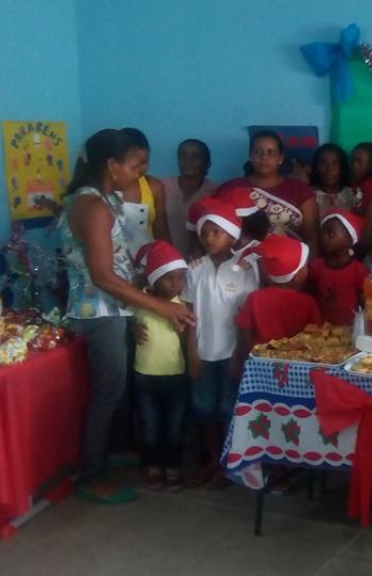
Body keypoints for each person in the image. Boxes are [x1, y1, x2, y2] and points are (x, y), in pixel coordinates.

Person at [58, 129, 195, 504]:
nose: (138, 173)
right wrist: (161, 306)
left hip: (113, 306)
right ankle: (91, 475)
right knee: (107, 393)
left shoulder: (100, 200)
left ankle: (110, 450)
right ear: (112, 165)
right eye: (134, 166)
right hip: (99, 311)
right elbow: (103, 276)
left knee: (118, 391)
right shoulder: (93, 206)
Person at [182, 200, 259, 490]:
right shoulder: (195, 270)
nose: (209, 238)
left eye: (217, 232)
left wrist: (241, 355)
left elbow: (245, 318)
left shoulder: (243, 270)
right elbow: (189, 316)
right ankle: (213, 458)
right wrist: (191, 353)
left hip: (231, 353)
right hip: (202, 352)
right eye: (205, 233)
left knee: (228, 408)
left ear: (231, 236)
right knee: (204, 408)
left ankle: (228, 462)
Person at [131, 241, 191, 491]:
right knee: (150, 427)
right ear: (154, 279)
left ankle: (173, 467)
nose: (175, 284)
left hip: (176, 375)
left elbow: (189, 340)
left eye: (179, 278)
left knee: (175, 427)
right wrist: (132, 330)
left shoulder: (182, 306)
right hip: (145, 376)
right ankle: (152, 466)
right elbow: (128, 325)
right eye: (168, 279)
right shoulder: (140, 302)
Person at [216, 130, 320, 255]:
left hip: (288, 263)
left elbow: (311, 236)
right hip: (238, 262)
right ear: (250, 155)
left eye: (271, 152)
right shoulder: (230, 188)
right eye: (258, 152)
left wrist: (309, 265)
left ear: (280, 158)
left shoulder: (300, 190)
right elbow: (214, 230)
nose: (264, 157)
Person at [233, 235, 321, 371]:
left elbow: (244, 336)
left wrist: (241, 362)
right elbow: (317, 337)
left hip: (260, 366)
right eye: (305, 266)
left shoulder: (254, 298)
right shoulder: (308, 303)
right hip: (297, 368)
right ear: (296, 276)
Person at [308, 210, 367, 326]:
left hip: (350, 328)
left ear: (349, 240)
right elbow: (310, 299)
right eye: (322, 233)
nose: (324, 238)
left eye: (331, 234)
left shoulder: (358, 270)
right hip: (321, 329)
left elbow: (364, 304)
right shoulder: (315, 266)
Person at [162, 139, 217, 260]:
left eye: (195, 157)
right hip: (165, 260)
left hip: (200, 262)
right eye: (183, 156)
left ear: (207, 162)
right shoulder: (163, 187)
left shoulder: (215, 192)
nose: (188, 161)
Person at [120, 128, 171, 254]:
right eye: (133, 164)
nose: (139, 169)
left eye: (143, 162)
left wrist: (170, 259)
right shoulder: (104, 190)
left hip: (146, 258)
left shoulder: (154, 187)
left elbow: (161, 233)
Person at [310, 143, 358, 217]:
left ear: (342, 167)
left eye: (335, 163)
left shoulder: (354, 195)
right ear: (316, 167)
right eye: (323, 163)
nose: (329, 169)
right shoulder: (308, 196)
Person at [350, 141, 372, 217]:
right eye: (352, 161)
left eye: (359, 162)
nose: (354, 166)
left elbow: (368, 213)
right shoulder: (354, 180)